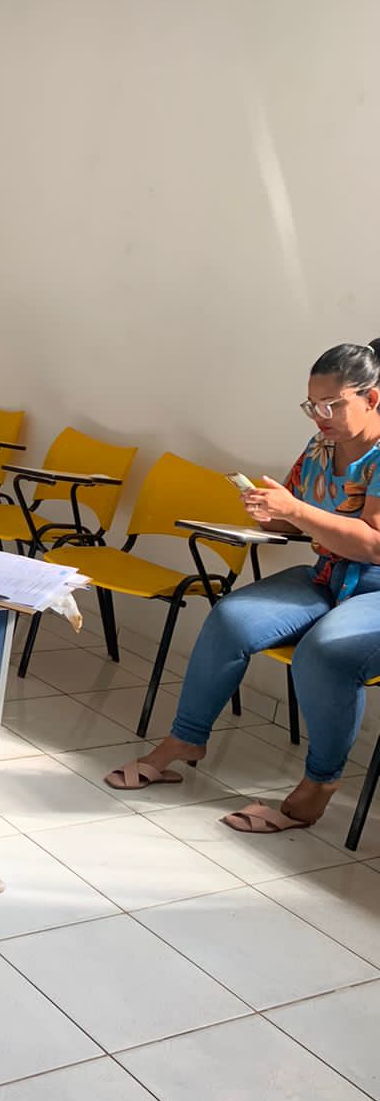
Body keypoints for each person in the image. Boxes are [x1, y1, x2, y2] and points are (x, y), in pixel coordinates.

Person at [105, 340, 380, 832]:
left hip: (375, 588)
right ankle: (186, 738)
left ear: (371, 398)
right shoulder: (321, 446)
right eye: (311, 405)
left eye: (331, 405)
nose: (319, 417)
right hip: (328, 575)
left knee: (325, 654)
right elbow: (300, 517)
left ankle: (320, 784)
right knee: (231, 617)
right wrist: (271, 514)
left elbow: (373, 545)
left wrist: (296, 511)